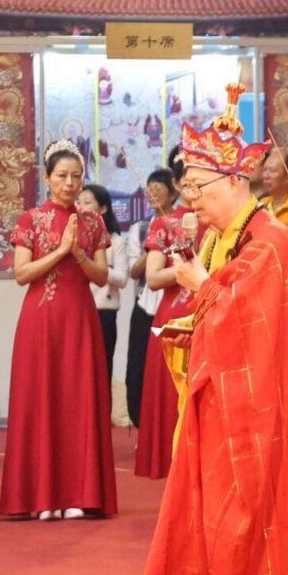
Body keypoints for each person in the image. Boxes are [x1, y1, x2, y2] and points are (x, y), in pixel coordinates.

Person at [144, 84, 288, 575]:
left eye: (198, 185)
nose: (189, 196)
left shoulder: (270, 240)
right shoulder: (225, 237)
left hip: (253, 409)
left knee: (244, 513)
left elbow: (249, 323)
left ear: (236, 181)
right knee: (210, 509)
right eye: (187, 184)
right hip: (221, 398)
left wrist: (201, 289)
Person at [2, 141, 115, 521]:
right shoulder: (30, 220)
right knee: (41, 399)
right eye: (62, 176)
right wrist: (60, 251)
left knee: (78, 399)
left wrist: (78, 253)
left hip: (80, 316)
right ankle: (39, 496)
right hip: (40, 319)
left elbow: (101, 277)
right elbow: (21, 275)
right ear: (46, 177)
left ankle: (80, 494)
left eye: (76, 176)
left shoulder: (93, 221)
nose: (69, 183)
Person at [137, 163, 195, 478]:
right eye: (190, 180)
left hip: (212, 310)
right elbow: (154, 277)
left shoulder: (223, 221)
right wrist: (189, 269)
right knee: (172, 396)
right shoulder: (165, 224)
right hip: (174, 315)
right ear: (178, 183)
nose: (195, 186)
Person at [126, 167, 180, 431]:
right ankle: (142, 425)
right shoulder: (141, 228)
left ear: (173, 192)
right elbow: (135, 271)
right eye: (150, 191)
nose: (153, 195)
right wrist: (157, 244)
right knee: (138, 370)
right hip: (146, 306)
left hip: (175, 307)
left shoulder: (187, 223)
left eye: (158, 190)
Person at [79, 183, 133, 395]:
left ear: (103, 209)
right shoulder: (73, 237)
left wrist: (98, 269)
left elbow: (122, 278)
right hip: (80, 309)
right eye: (79, 202)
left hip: (104, 311)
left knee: (101, 370)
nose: (81, 207)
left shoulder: (116, 242)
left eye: (87, 202)